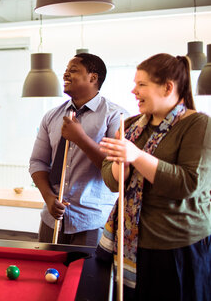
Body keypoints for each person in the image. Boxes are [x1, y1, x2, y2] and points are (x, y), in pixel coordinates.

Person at [97, 53, 211, 300]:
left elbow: (187, 184)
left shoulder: (198, 124)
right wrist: (122, 165)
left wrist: (136, 156)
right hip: (133, 246)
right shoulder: (130, 125)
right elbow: (110, 179)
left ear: (168, 87)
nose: (133, 91)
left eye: (141, 84)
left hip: (179, 249)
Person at [29, 53, 127, 246]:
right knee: (44, 273)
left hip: (92, 221)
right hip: (51, 219)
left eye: (73, 70)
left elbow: (116, 170)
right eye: (65, 70)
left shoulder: (116, 116)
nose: (65, 75)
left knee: (87, 276)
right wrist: (49, 198)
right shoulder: (52, 116)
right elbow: (37, 162)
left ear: (93, 78)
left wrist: (80, 139)